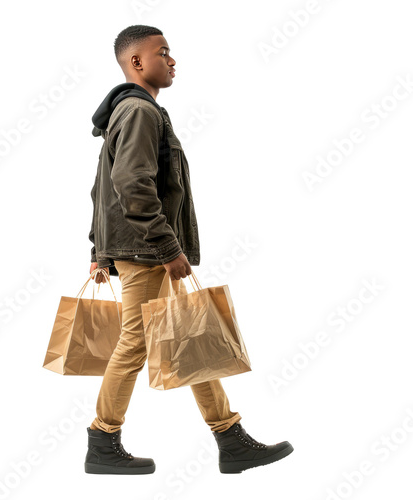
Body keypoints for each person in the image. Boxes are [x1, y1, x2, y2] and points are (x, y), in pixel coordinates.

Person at [84, 25, 293, 475]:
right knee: (135, 344)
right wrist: (166, 246)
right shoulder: (140, 111)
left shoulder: (130, 111)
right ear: (137, 62)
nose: (173, 60)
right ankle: (102, 440)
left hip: (138, 249)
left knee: (191, 334)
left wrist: (100, 250)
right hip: (146, 251)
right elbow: (129, 185)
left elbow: (100, 189)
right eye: (164, 53)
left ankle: (229, 437)